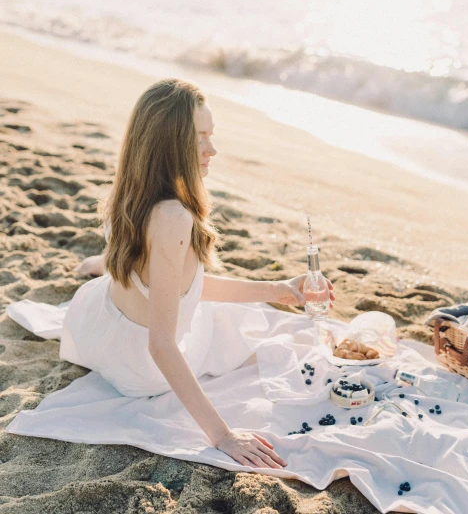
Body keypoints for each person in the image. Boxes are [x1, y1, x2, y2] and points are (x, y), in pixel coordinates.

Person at [66, 78, 335, 470]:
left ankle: (108, 264)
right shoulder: (174, 217)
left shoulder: (132, 191)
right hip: (142, 368)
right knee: (231, 322)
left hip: (95, 323)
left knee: (144, 277)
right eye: (200, 138)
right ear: (169, 144)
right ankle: (106, 264)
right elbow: (162, 344)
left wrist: (279, 290)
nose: (212, 149)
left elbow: (179, 289)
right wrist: (223, 436)